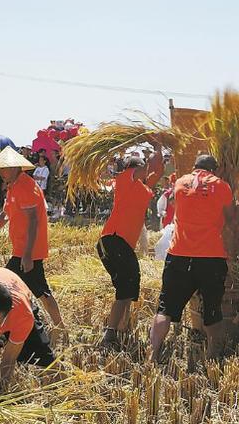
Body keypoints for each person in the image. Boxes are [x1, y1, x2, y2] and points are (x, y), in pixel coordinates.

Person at [0, 147, 68, 335]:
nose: (0, 172)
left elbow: (33, 221)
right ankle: (21, 324)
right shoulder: (13, 186)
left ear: (16, 167)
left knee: (35, 290)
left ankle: (59, 327)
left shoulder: (26, 186)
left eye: (3, 168)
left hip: (28, 251)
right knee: (19, 287)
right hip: (21, 250)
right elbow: (4, 216)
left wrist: (27, 255)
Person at [149, 154, 232, 361]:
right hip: (211, 256)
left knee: (165, 308)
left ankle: (154, 353)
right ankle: (213, 355)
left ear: (194, 167)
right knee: (213, 310)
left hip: (179, 254)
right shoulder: (221, 186)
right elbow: (230, 215)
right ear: (215, 170)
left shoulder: (179, 183)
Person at [97, 144, 164, 348]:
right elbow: (143, 168)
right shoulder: (125, 179)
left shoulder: (143, 189)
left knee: (128, 288)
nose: (146, 170)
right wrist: (153, 150)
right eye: (142, 167)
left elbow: (157, 171)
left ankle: (121, 329)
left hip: (121, 245)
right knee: (124, 291)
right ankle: (110, 334)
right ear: (134, 169)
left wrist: (159, 151)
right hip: (113, 240)